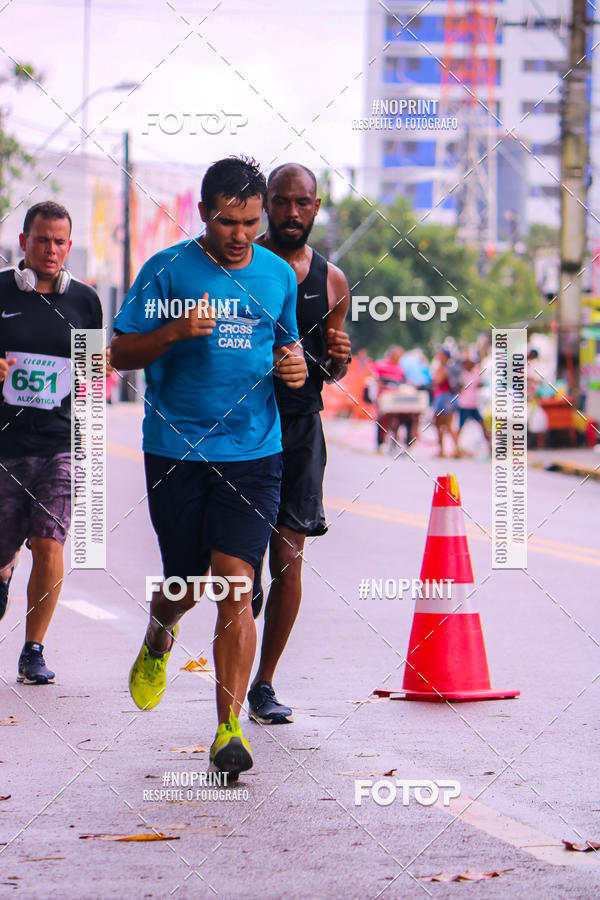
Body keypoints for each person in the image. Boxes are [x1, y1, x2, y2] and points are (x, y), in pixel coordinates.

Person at [110, 157, 306, 778]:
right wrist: (169, 334)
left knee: (235, 584)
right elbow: (116, 353)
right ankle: (158, 633)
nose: (241, 235)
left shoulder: (276, 275)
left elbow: (286, 344)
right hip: (175, 450)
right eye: (228, 222)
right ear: (203, 213)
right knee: (187, 584)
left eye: (251, 222)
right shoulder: (166, 270)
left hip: (254, 452)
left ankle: (227, 730)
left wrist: (294, 366)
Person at [248, 163, 351, 725]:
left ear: (316, 207)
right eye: (283, 202)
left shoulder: (333, 282)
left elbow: (331, 372)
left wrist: (339, 355)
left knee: (289, 557)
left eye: (303, 203)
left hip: (300, 428)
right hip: (241, 425)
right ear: (267, 203)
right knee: (234, 560)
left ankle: (263, 684)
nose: (292, 213)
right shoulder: (241, 263)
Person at [0, 201, 103, 682]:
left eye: (61, 241)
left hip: (60, 442)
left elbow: (91, 375)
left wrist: (96, 371)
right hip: (5, 445)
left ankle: (33, 650)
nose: (52, 250)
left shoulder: (84, 302)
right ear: (24, 242)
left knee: (49, 541)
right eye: (43, 240)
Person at [431, 347, 462, 458]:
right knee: (444, 424)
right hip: (449, 397)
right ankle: (451, 449)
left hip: (444, 398)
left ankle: (450, 450)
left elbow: (437, 381)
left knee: (444, 425)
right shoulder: (453, 367)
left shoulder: (445, 368)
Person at [457, 354, 491, 453]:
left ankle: (489, 446)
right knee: (460, 426)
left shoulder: (475, 375)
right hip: (463, 404)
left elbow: (480, 384)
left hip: (473, 404)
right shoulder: (461, 375)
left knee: (482, 424)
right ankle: (456, 447)